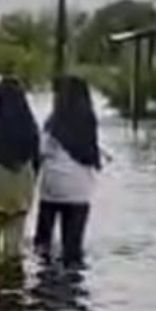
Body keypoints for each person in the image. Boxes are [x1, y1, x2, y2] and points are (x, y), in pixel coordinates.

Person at [34, 76, 104, 265]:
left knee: (43, 243)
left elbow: (41, 150)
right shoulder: (89, 121)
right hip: (79, 191)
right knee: (73, 246)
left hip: (52, 189)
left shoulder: (54, 121)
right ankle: (73, 279)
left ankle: (45, 278)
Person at [0, 77, 39, 262]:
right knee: (13, 243)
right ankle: (12, 281)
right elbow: (37, 159)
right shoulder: (31, 126)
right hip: (22, 187)